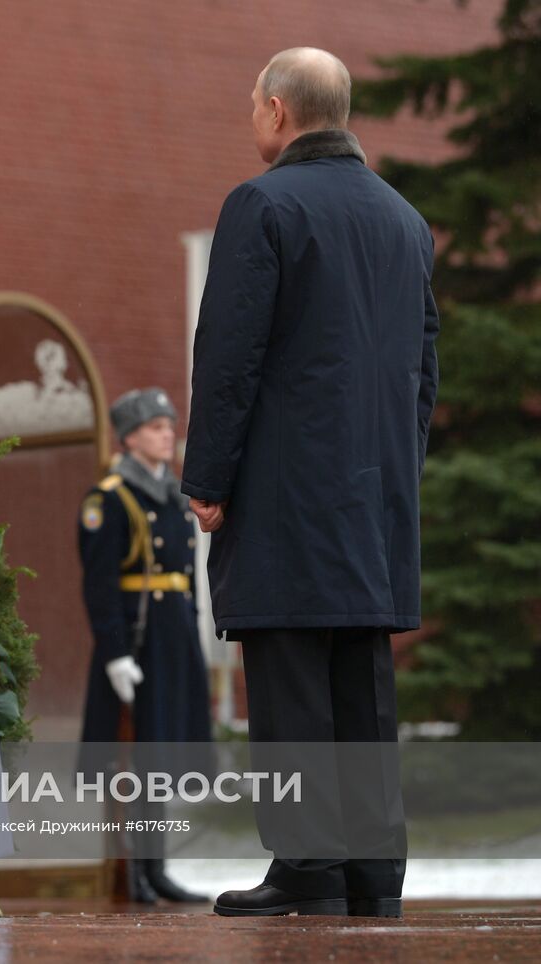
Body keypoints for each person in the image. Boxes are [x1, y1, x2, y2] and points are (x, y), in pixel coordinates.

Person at [181, 48, 439, 919]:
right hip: (375, 503)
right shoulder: (406, 220)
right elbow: (423, 371)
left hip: (289, 494)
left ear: (280, 111)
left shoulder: (263, 205)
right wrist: (399, 478)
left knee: (290, 681)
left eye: (254, 103)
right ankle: (375, 874)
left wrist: (208, 477)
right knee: (362, 686)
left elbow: (229, 358)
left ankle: (310, 870)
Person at [78, 388, 213, 905]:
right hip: (136, 641)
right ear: (131, 436)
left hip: (172, 636)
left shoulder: (176, 495)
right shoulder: (109, 498)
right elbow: (100, 584)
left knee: (160, 758)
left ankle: (156, 870)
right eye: (156, 427)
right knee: (131, 761)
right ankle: (131, 870)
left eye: (168, 425)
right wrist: (114, 654)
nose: (167, 434)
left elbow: (185, 578)